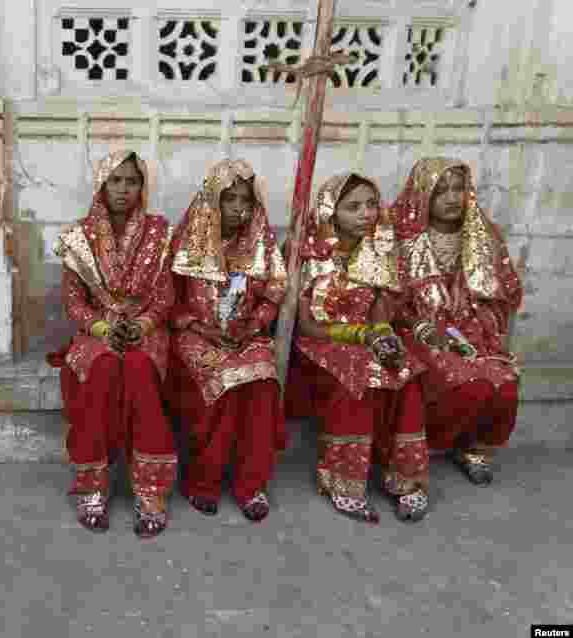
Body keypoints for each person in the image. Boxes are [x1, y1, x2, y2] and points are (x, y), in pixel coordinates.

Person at [48, 150, 178, 539]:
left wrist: (140, 326)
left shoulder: (159, 231)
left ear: (143, 187)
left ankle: (151, 491)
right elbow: (73, 301)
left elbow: (165, 296)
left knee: (138, 369)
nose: (123, 189)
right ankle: (92, 488)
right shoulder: (79, 236)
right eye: (115, 181)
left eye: (132, 181)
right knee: (103, 370)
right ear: (101, 185)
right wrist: (103, 329)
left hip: (145, 330)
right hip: (98, 331)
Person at [287, 173, 430, 523]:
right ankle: (344, 482)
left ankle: (405, 479)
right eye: (353, 207)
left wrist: (382, 337)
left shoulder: (378, 250)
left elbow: (380, 312)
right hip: (318, 343)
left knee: (404, 372)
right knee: (355, 377)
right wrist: (360, 337)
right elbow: (305, 324)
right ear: (331, 212)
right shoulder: (310, 253)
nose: (366, 213)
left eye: (370, 204)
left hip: (364, 340)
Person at [165, 159, 287, 521]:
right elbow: (165, 300)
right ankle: (203, 481)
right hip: (196, 336)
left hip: (245, 335)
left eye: (246, 200)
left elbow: (275, 290)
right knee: (222, 381)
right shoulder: (186, 240)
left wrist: (255, 323)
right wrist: (197, 326)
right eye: (229, 199)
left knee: (263, 381)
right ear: (211, 201)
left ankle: (252, 485)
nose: (239, 208)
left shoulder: (259, 240)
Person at [392, 158, 523, 486]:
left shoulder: (482, 234)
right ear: (422, 195)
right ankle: (433, 441)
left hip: (473, 325)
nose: (452, 198)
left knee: (504, 383)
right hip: (418, 327)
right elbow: (388, 299)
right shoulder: (400, 236)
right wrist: (425, 326)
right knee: (466, 383)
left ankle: (474, 447)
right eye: (441, 191)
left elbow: (504, 290)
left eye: (459, 189)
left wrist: (488, 325)